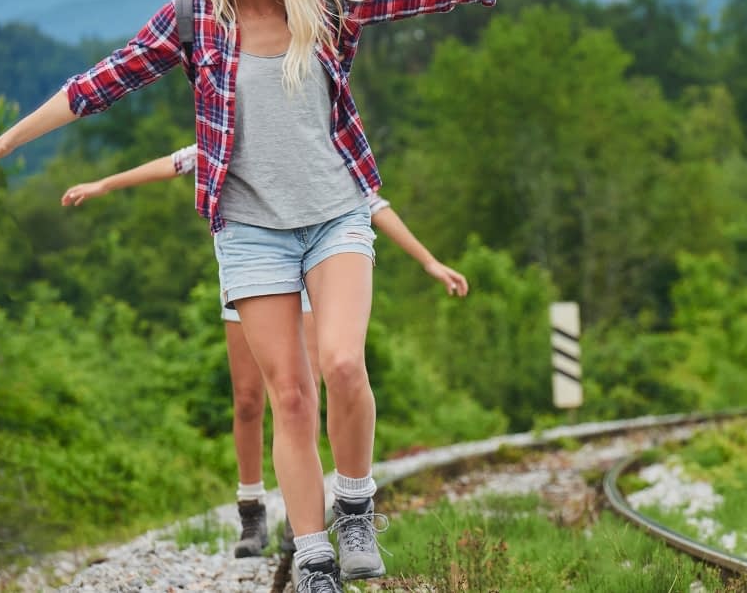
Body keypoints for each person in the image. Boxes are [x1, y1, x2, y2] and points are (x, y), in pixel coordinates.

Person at [0, 0, 619, 588]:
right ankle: (313, 558)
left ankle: (354, 505)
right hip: (250, 231)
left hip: (336, 214)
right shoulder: (193, 19)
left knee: (342, 363)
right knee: (289, 394)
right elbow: (95, 86)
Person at [60, 144, 469, 559]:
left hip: (310, 276)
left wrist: (429, 262)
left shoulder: (314, 145)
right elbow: (177, 162)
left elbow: (371, 202)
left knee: (301, 397)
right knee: (248, 401)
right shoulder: (237, 137)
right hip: (253, 274)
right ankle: (251, 508)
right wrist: (105, 184)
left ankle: (300, 510)